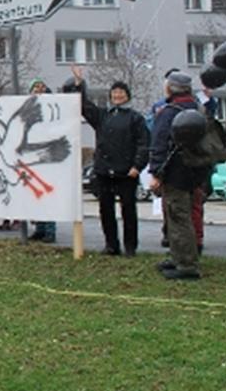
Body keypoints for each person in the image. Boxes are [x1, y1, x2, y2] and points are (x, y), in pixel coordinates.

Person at [72, 66, 149, 256]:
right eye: (114, 93)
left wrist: (137, 166)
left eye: (121, 92)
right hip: (104, 170)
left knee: (128, 212)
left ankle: (130, 247)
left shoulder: (135, 118)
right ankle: (111, 245)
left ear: (127, 96)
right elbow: (84, 106)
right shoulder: (102, 116)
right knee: (106, 211)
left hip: (126, 171)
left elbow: (144, 144)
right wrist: (80, 85)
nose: (117, 95)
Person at [147, 72, 204, 280]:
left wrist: (155, 173)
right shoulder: (198, 109)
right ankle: (178, 257)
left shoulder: (169, 112)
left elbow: (159, 144)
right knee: (184, 215)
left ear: (170, 88)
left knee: (177, 217)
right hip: (194, 172)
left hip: (174, 174)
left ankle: (186, 265)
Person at [27, 78, 58, 243]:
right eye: (35, 87)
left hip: (48, 154)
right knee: (35, 194)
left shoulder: (53, 105)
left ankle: (50, 230)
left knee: (48, 195)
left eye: (41, 86)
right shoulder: (28, 107)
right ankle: (39, 228)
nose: (38, 89)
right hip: (33, 154)